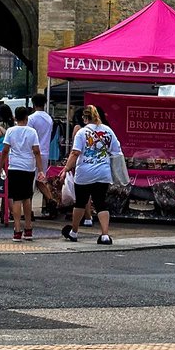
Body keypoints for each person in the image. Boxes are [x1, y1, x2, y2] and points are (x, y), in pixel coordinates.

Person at [58, 104, 120, 245]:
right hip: (103, 172)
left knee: (80, 202)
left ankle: (74, 232)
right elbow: (116, 151)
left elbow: (75, 153)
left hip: (84, 172)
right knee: (101, 203)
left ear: (86, 117)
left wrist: (66, 168)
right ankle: (105, 235)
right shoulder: (108, 131)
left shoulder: (82, 133)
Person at [0, 106, 45, 240]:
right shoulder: (32, 132)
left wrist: (1, 165)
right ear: (26, 118)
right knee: (27, 198)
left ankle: (17, 229)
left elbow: (5, 150)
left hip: (14, 167)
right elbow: (36, 151)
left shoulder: (10, 131)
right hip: (28, 168)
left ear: (15, 117)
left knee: (16, 199)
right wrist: (40, 169)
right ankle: (28, 228)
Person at [26, 94, 54, 171]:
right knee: (41, 178)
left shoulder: (31, 118)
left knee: (31, 178)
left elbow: (28, 137)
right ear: (44, 104)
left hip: (32, 153)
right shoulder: (49, 119)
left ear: (33, 104)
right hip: (45, 151)